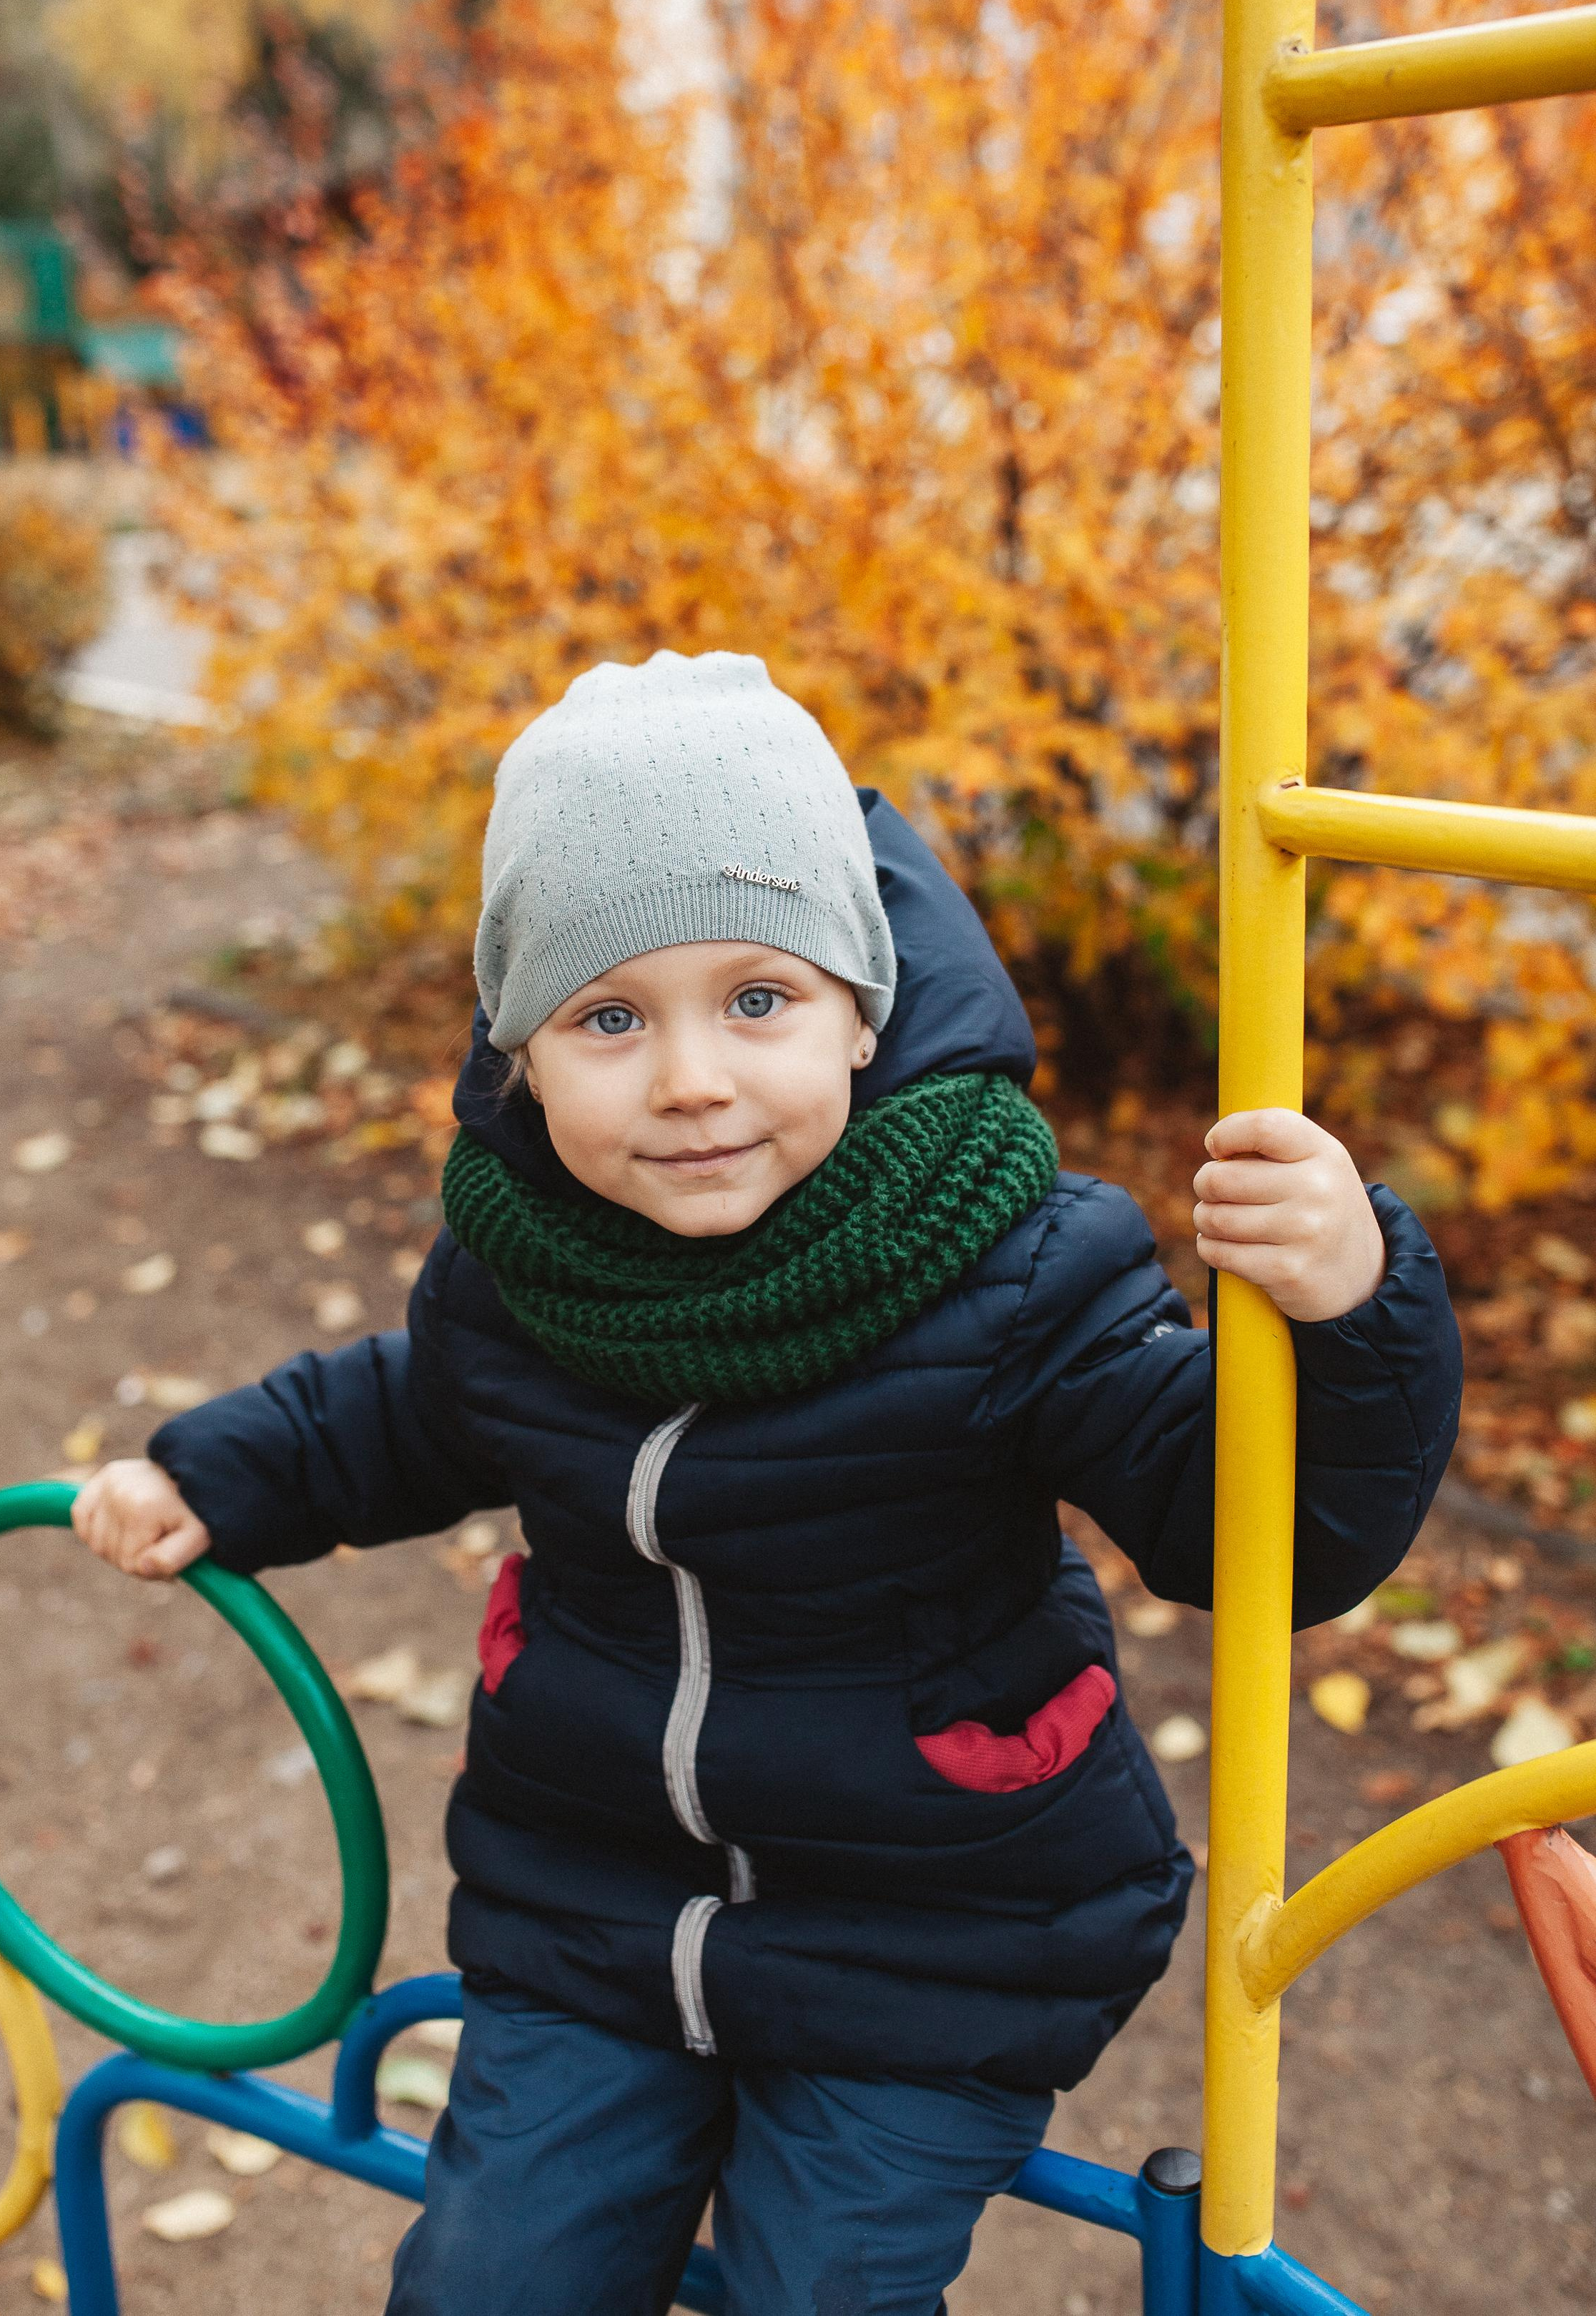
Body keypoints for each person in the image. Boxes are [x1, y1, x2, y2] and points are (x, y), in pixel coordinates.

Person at [72, 651, 1462, 2316]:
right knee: (485, 2284)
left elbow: (1257, 1530)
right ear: (520, 1053)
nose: (691, 1081)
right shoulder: (525, 1269)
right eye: (608, 1017)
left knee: (818, 2292)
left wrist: (1352, 1302)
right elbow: (401, 1413)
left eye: (757, 999)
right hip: (590, 1909)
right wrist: (211, 1470)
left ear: (860, 1008)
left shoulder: (1006, 1268)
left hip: (936, 1934)